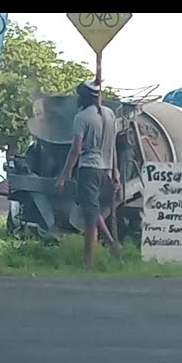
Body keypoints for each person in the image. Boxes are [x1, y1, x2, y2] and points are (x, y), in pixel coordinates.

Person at [55, 79, 122, 266]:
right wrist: (116, 172)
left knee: (90, 215)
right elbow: (113, 146)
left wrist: (64, 175)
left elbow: (76, 149)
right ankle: (112, 244)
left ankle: (88, 259)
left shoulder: (82, 118)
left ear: (83, 97)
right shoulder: (110, 115)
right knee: (93, 207)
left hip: (89, 169)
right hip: (106, 170)